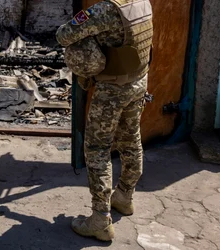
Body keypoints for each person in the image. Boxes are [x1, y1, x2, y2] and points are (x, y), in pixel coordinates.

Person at [56, 0, 153, 241]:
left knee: (97, 149)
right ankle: (125, 196)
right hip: (139, 82)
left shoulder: (107, 9)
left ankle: (100, 219)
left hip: (112, 89)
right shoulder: (143, 2)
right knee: (131, 140)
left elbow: (64, 35)